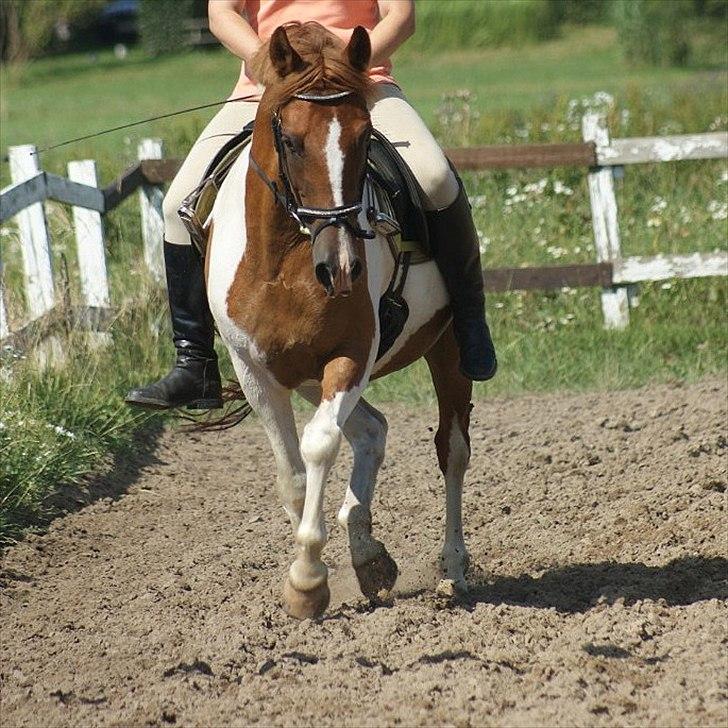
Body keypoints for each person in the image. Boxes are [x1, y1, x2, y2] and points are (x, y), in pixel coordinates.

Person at [125, 0, 497, 411]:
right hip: (268, 87)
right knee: (178, 204)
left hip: (358, 84)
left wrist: (345, 69)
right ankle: (194, 362)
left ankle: (469, 323)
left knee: (435, 177)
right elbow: (222, 14)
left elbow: (401, 18)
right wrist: (268, 65)